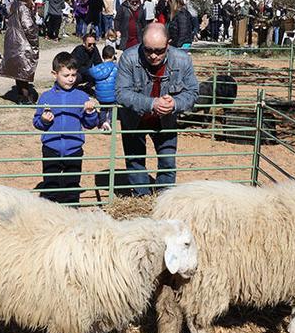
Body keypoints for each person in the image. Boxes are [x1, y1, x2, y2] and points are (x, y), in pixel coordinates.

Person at [115, 23, 199, 196]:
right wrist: (152, 103)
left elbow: (192, 92)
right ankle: (141, 197)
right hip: (134, 118)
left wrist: (174, 103)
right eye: (148, 50)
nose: (153, 55)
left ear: (168, 44)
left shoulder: (182, 60)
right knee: (135, 160)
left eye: (159, 51)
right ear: (141, 44)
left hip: (165, 120)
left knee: (167, 161)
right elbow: (121, 93)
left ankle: (164, 197)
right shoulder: (128, 58)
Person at [33, 52, 99, 204]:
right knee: (51, 184)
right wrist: (44, 120)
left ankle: (71, 211)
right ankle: (49, 212)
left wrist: (90, 112)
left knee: (72, 183)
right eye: (66, 75)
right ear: (54, 74)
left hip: (74, 148)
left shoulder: (82, 97)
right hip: (51, 147)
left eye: (74, 75)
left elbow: (90, 124)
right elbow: (37, 122)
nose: (70, 79)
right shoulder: (46, 97)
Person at [0, 0, 40, 104]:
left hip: (12, 40)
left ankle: (21, 95)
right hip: (22, 42)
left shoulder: (14, 4)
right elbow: (29, 26)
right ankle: (25, 98)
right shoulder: (23, 7)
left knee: (18, 70)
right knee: (24, 70)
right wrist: (34, 41)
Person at [89, 45, 118, 131]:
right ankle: (109, 123)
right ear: (113, 56)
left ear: (102, 56)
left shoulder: (97, 69)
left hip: (100, 95)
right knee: (112, 109)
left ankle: (102, 124)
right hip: (112, 94)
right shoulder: (116, 67)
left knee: (103, 109)